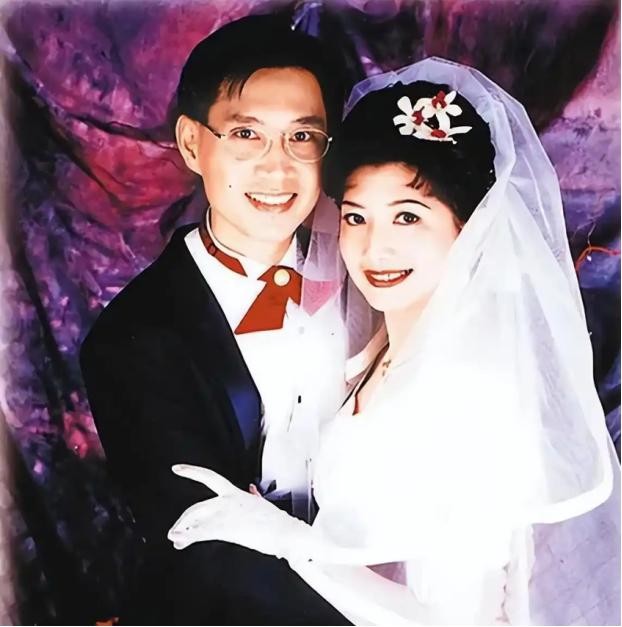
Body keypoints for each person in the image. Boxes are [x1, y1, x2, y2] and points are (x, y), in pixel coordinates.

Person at [168, 57, 620, 625]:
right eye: (357, 218)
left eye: (407, 218)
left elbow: (455, 620)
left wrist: (288, 541)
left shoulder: (474, 390)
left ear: (469, 226)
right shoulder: (385, 347)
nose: (374, 248)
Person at [80, 12, 353, 625]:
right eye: (247, 135)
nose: (277, 168)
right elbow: (210, 553)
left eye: (303, 137)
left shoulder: (375, 276)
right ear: (191, 143)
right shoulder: (131, 340)